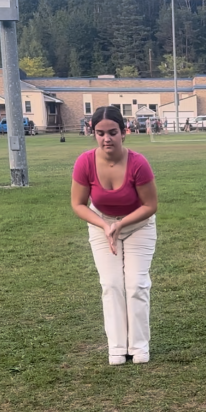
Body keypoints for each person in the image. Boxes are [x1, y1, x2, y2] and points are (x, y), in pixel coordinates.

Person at [71, 106, 158, 365]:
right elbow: (78, 204)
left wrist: (121, 224)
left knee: (136, 285)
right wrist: (105, 225)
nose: (106, 138)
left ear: (124, 132)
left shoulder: (138, 163)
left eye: (112, 132)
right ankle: (117, 348)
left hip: (138, 225)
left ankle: (139, 347)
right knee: (111, 285)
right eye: (100, 133)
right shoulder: (85, 162)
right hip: (102, 227)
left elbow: (150, 206)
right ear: (93, 133)